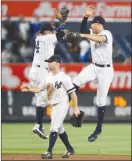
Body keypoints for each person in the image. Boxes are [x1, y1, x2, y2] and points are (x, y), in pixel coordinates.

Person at [21, 55, 80, 159]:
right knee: (60, 129)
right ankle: (70, 148)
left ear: (57, 63)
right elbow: (39, 89)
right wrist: (29, 89)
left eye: (50, 62)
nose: (48, 63)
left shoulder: (64, 77)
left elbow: (73, 94)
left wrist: (75, 108)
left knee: (54, 128)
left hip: (62, 104)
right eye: (48, 62)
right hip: (53, 106)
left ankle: (49, 152)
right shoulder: (48, 76)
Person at [73, 5, 114, 142]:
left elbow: (100, 39)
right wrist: (85, 17)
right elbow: (83, 30)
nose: (91, 26)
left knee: (100, 100)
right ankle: (73, 110)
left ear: (98, 24)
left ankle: (98, 129)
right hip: (94, 67)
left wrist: (84, 35)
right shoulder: (91, 32)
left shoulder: (107, 33)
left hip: (106, 70)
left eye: (93, 23)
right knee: (75, 82)